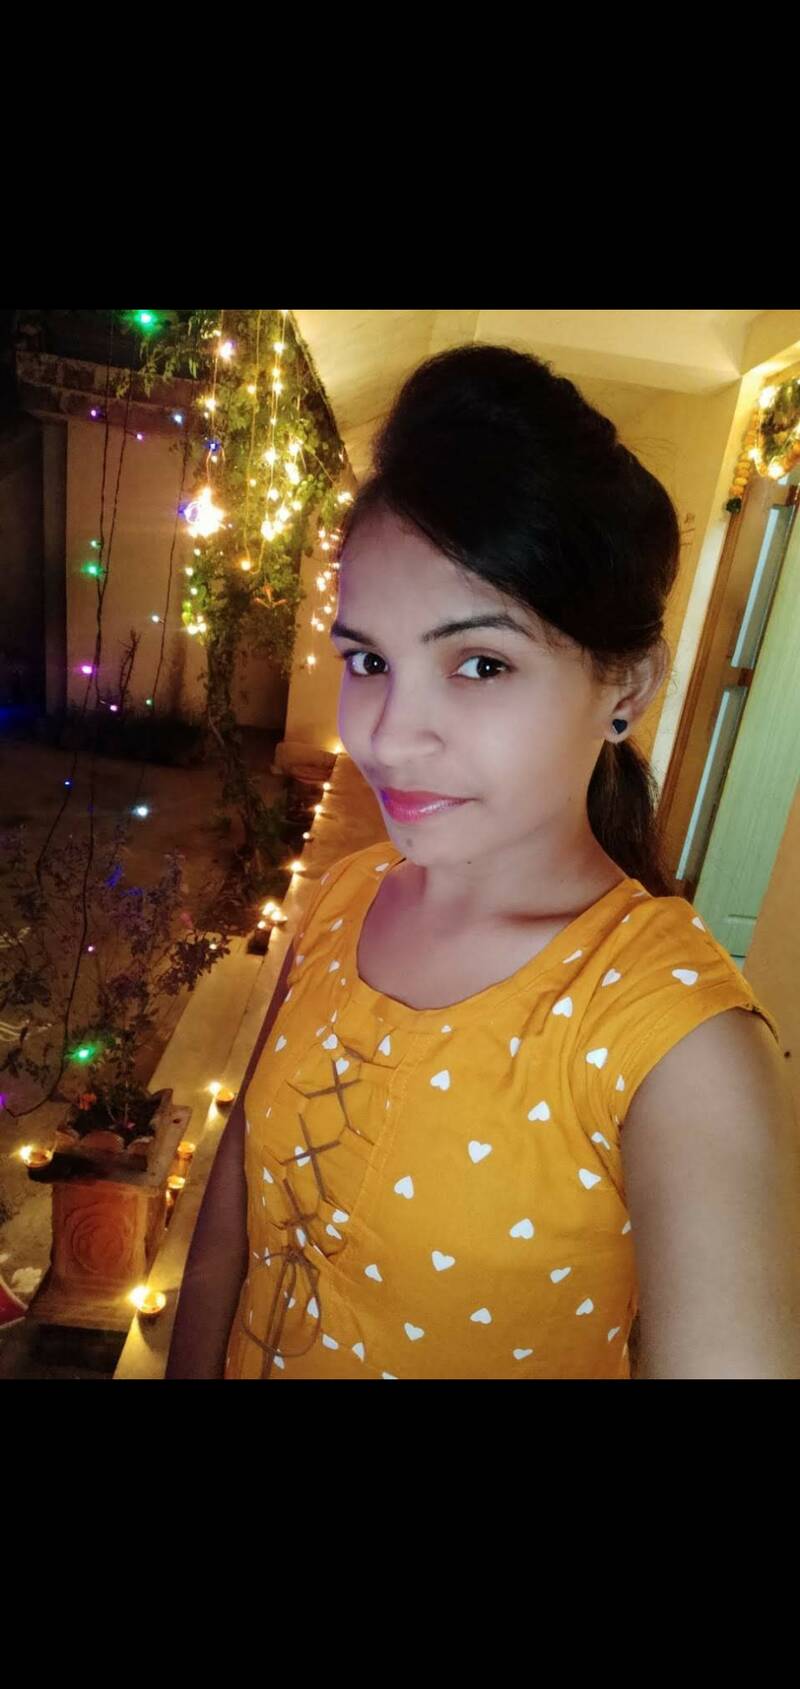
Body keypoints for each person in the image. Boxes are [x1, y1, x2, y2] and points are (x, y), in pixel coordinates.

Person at [167, 344, 800, 1381]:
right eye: (369, 659)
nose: (387, 734)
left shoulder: (677, 1047)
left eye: (479, 662)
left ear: (627, 688)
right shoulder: (345, 896)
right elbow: (232, 1209)